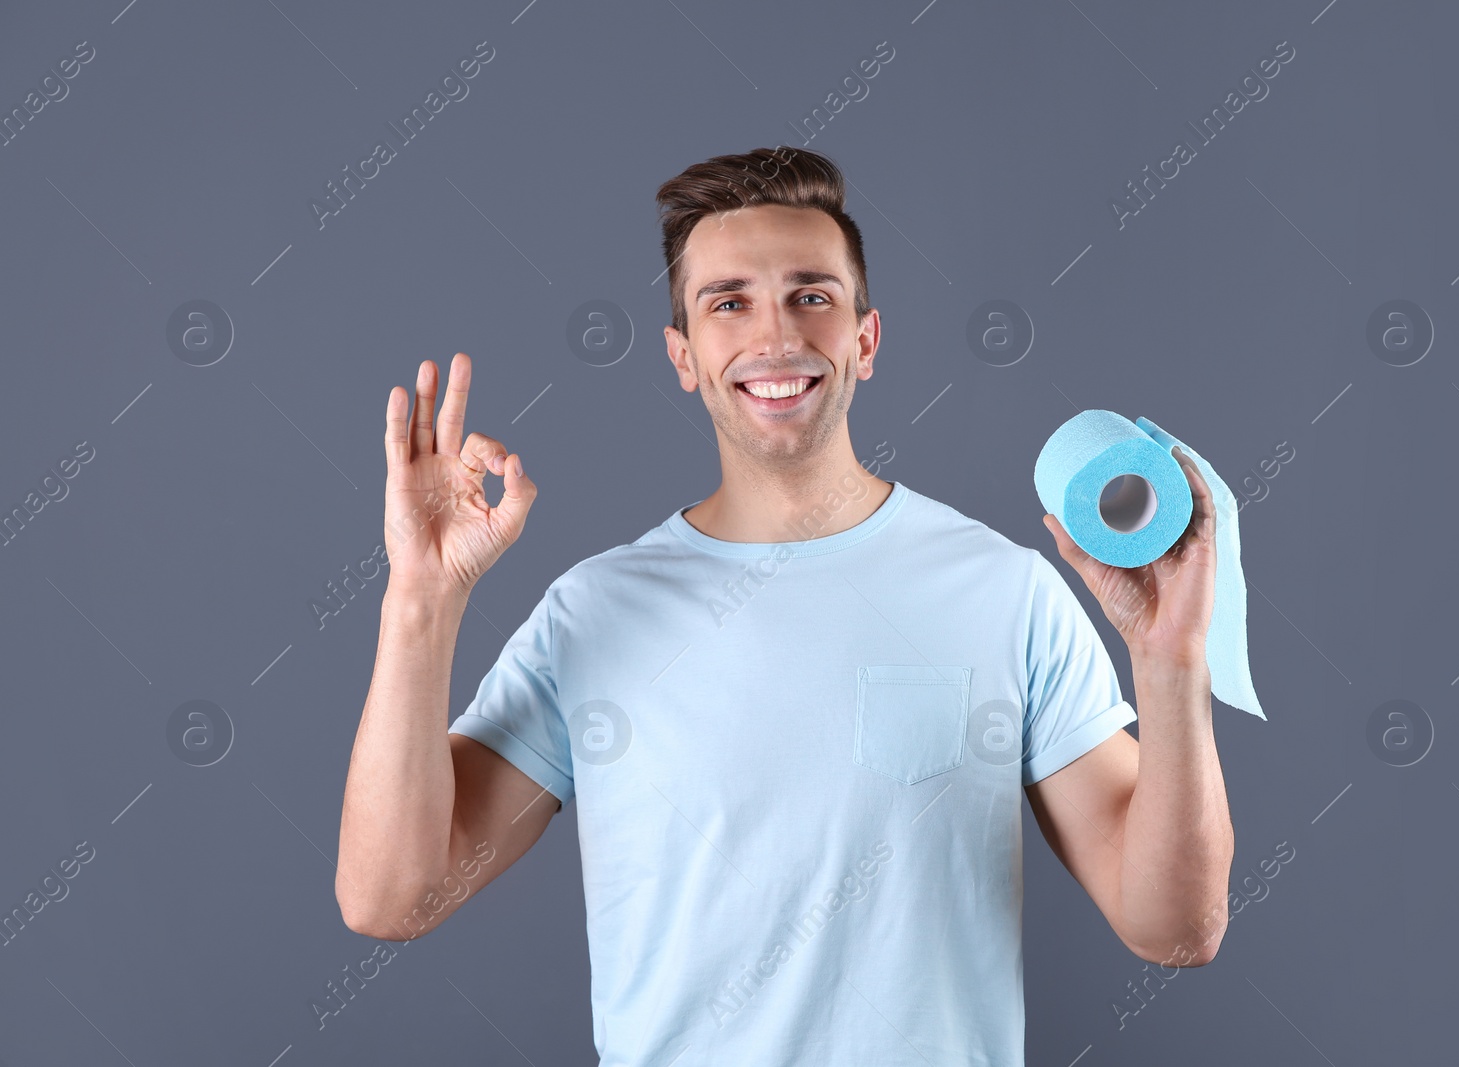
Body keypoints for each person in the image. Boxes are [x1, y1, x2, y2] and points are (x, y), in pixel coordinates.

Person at [335, 145, 1234, 1065]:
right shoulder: (591, 616)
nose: (777, 337)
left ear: (865, 340)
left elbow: (1176, 929)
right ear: (683, 355)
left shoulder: (1006, 593)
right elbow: (391, 897)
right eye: (729, 302)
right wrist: (420, 600)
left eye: (813, 295)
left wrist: (1171, 669)